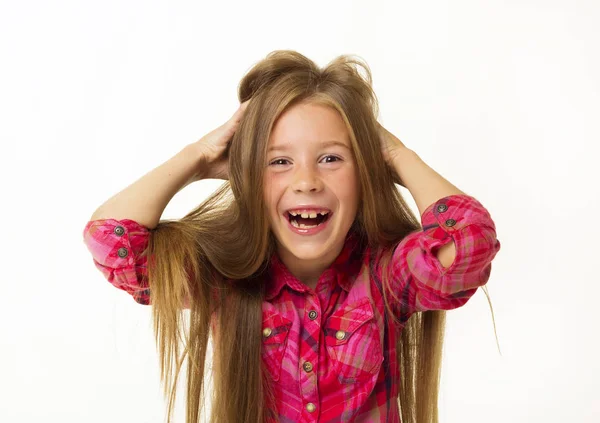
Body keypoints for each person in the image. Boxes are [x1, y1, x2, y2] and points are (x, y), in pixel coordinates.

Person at [82, 50, 501, 423]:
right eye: (279, 161)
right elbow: (111, 241)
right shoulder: (223, 279)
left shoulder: (388, 276)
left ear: (366, 173)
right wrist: (198, 157)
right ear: (248, 178)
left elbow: (469, 242)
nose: (306, 181)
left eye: (331, 158)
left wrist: (396, 155)